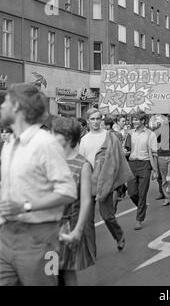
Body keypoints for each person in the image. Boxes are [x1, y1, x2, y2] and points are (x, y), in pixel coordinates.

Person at [0, 83, 77, 286]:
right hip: (6, 236)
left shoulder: (46, 143)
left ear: (16, 106)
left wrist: (26, 206)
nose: (1, 106)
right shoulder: (9, 145)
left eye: (5, 102)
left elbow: (68, 191)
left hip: (41, 239)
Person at [79, 108, 133, 251]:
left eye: (98, 119)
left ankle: (119, 235)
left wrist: (113, 179)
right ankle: (91, 250)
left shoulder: (110, 137)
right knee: (87, 220)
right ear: (88, 121)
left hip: (106, 181)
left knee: (107, 215)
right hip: (88, 182)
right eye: (93, 119)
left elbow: (117, 159)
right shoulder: (84, 140)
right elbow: (81, 162)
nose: (96, 122)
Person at [51, 117, 96, 286]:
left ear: (68, 138)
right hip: (49, 225)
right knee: (52, 272)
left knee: (67, 271)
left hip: (68, 225)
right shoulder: (51, 160)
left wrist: (78, 230)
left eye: (55, 134)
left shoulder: (82, 165)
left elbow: (86, 201)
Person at [125, 112, 159, 230]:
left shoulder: (151, 134)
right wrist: (124, 152)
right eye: (133, 119)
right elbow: (126, 149)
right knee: (132, 193)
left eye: (137, 120)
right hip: (132, 164)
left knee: (142, 192)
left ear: (143, 121)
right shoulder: (130, 134)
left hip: (145, 165)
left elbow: (154, 154)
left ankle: (139, 219)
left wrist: (155, 170)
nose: (134, 122)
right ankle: (142, 206)